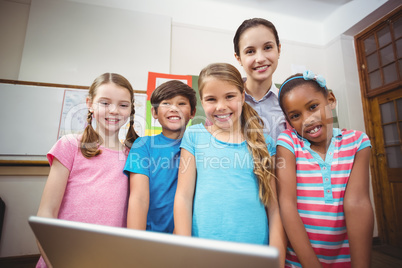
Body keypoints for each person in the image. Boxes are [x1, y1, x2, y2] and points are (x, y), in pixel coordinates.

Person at [174, 63, 286, 266]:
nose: (221, 106)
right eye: (211, 99)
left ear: (243, 96)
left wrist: (277, 260)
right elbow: (183, 197)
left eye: (229, 96)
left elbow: (274, 208)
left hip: (255, 255)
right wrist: (184, 252)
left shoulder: (264, 143)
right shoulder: (194, 136)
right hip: (203, 254)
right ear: (201, 101)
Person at [35, 73, 139, 268]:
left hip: (110, 258)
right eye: (105, 103)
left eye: (123, 105)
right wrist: (53, 260)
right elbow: (46, 213)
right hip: (63, 257)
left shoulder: (133, 155)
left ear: (131, 109)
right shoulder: (70, 145)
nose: (114, 110)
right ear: (90, 103)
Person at [276, 70, 374, 267]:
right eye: (295, 115)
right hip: (298, 262)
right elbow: (287, 204)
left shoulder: (357, 142)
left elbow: (358, 203)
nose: (308, 120)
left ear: (330, 99)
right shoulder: (288, 142)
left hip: (346, 259)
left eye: (313, 107)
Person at [124, 80, 196, 233]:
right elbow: (138, 199)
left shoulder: (198, 146)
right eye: (166, 103)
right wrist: (135, 241)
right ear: (154, 113)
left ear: (193, 112)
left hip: (189, 236)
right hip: (151, 236)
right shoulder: (143, 145)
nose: (174, 109)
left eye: (181, 103)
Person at [233, 18, 287, 141]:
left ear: (278, 50)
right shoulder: (227, 101)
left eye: (268, 47)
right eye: (250, 51)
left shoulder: (288, 101)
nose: (260, 58)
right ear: (238, 58)